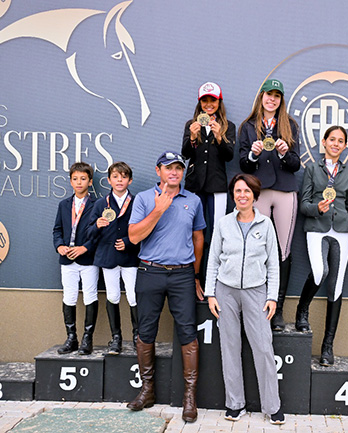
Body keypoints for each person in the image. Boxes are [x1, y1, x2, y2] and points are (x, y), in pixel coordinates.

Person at [126, 151, 205, 423]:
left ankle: (189, 398)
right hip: (150, 272)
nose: (174, 172)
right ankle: (147, 391)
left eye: (178, 168)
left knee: (187, 332)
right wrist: (159, 209)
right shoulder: (144, 199)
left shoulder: (193, 200)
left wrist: (194, 276)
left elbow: (198, 238)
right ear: (158, 170)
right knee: (146, 330)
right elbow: (134, 236)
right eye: (168, 168)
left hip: (182, 274)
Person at [205, 173, 285, 425]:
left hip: (256, 292)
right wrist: (211, 293)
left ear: (255, 196)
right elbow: (213, 260)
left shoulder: (266, 224)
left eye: (247, 191)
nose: (242, 195)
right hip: (225, 291)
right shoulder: (223, 223)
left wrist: (272, 297)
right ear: (233, 195)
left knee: (263, 347)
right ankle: (234, 404)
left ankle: (272, 406)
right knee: (229, 348)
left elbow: (274, 264)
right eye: (238, 191)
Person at [238, 78, 300, 331]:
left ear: (281, 99)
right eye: (268, 94)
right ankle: (256, 304)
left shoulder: (290, 125)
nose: (272, 99)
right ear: (261, 96)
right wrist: (253, 153)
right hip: (259, 191)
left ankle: (278, 308)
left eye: (277, 95)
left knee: (283, 250)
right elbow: (243, 163)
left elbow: (296, 164)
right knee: (256, 248)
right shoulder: (248, 126)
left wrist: (285, 153)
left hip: (285, 190)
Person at [295, 126, 348, 367]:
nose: (336, 144)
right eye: (332, 139)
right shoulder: (311, 168)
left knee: (337, 284)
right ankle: (302, 309)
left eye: (341, 141)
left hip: (341, 229)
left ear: (344, 146)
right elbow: (303, 204)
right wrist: (316, 208)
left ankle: (327, 346)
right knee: (320, 272)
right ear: (324, 142)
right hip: (316, 226)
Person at [87, 162, 139, 355]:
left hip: (129, 256)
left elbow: (142, 230)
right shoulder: (101, 204)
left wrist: (129, 242)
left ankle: (137, 335)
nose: (120, 180)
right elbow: (88, 233)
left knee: (133, 295)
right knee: (112, 296)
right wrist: (97, 225)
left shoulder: (137, 202)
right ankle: (116, 337)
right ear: (109, 180)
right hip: (108, 257)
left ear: (130, 180)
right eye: (115, 177)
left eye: (124, 177)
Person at [52, 161, 99, 356]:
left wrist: (84, 248)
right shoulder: (64, 204)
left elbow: (100, 234)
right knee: (69, 296)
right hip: (67, 260)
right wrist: (60, 246)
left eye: (83, 179)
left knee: (90, 296)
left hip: (87, 259)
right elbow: (57, 230)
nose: (79, 182)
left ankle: (87, 338)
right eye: (75, 179)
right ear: (70, 181)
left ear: (90, 181)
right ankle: (71, 337)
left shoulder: (98, 204)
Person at [181, 81, 235, 238]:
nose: (209, 104)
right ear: (200, 103)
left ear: (219, 102)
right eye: (205, 100)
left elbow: (229, 156)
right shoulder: (191, 125)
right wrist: (192, 137)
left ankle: (215, 264)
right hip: (194, 185)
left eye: (213, 100)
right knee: (194, 231)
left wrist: (219, 137)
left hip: (217, 185)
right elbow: (185, 154)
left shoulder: (228, 126)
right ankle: (195, 263)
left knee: (218, 231)